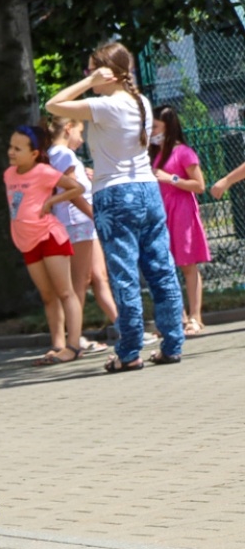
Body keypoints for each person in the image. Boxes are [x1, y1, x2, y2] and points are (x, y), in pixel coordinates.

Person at [44, 41, 184, 371]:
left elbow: (54, 105)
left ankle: (129, 351)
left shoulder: (106, 106)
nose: (87, 74)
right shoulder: (143, 103)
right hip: (148, 191)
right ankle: (173, 343)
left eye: (91, 69)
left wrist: (87, 84)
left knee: (124, 275)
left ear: (108, 72)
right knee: (161, 269)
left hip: (115, 196)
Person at [6, 124, 88, 363]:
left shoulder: (44, 171)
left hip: (50, 237)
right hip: (27, 242)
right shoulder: (9, 174)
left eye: (17, 148)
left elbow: (77, 187)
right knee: (47, 295)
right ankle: (57, 345)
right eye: (10, 147)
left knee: (65, 292)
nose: (11, 152)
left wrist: (52, 200)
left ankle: (73, 346)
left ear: (33, 153)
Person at [47, 117, 116, 348]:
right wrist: (94, 214)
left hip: (81, 223)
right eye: (79, 131)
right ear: (68, 128)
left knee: (98, 276)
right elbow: (72, 192)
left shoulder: (58, 154)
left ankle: (124, 326)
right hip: (76, 222)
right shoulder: (64, 154)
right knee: (79, 282)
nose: (81, 137)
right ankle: (74, 339)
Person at [149, 105, 211, 334]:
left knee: (187, 264)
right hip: (163, 212)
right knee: (166, 265)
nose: (152, 131)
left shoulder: (184, 152)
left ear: (168, 126)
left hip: (182, 211)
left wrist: (171, 178)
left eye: (155, 126)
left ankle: (196, 316)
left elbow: (200, 185)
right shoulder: (155, 154)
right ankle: (178, 317)